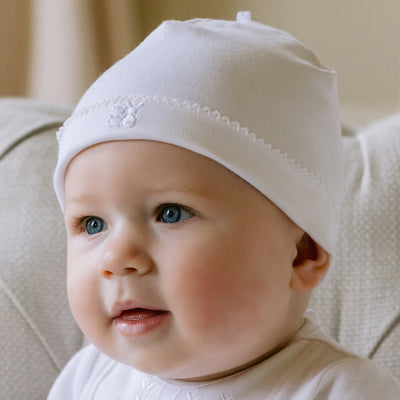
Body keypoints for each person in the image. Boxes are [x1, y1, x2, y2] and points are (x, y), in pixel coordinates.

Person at [48, 11, 400, 399]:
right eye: (93, 224)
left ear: (301, 253)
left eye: (170, 213)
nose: (116, 258)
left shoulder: (341, 390)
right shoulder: (89, 378)